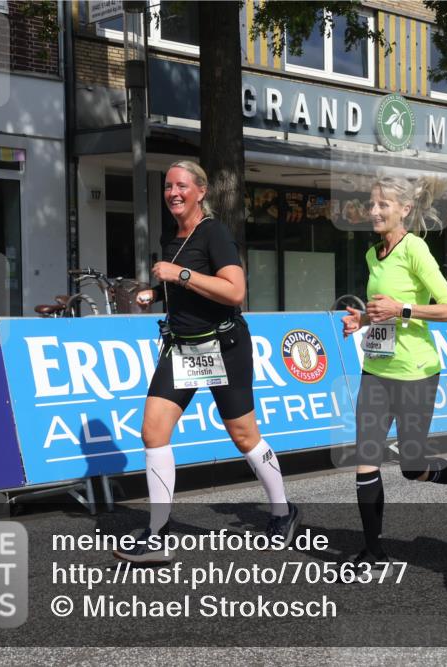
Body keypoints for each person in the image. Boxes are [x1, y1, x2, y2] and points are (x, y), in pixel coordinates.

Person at [115, 160, 299, 563]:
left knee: (244, 436)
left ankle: (283, 511)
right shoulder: (172, 236)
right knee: (153, 432)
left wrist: (179, 274)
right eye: (168, 186)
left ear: (201, 191)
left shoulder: (214, 233)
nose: (173, 193)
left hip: (224, 346)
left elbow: (234, 291)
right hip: (182, 348)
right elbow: (188, 286)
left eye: (181, 186)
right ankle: (157, 532)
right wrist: (157, 293)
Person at [341, 174, 447, 572]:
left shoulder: (415, 250)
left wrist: (402, 309)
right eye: (372, 204)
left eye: (383, 205)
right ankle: (373, 553)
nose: (374, 211)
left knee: (413, 467)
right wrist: (362, 320)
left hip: (415, 371)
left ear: (405, 209)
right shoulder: (372, 254)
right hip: (376, 369)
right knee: (366, 456)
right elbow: (382, 310)